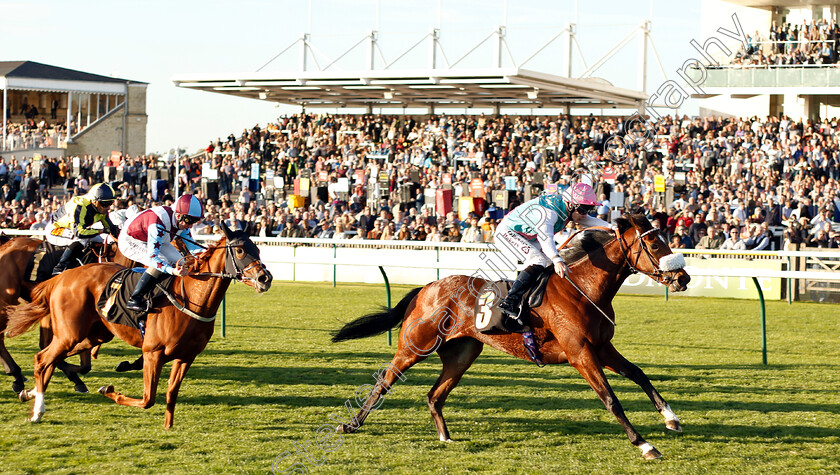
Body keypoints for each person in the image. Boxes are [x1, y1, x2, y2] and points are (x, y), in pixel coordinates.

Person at [493, 182, 615, 326]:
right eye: (583, 209)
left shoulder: (568, 208)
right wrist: (557, 259)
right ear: (570, 205)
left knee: (548, 263)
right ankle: (509, 301)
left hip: (528, 236)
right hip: (508, 232)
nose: (585, 214)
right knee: (538, 260)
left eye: (589, 209)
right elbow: (546, 239)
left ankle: (533, 303)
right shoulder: (549, 213)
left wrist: (613, 228)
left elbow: (588, 220)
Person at [118, 194, 205, 312]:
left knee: (181, 261)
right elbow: (153, 258)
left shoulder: (182, 223)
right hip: (130, 240)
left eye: (195, 221)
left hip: (153, 238)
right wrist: (172, 271)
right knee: (162, 261)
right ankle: (135, 298)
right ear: (178, 215)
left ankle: (165, 292)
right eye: (190, 220)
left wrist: (209, 253)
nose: (190, 225)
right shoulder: (158, 223)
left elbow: (194, 249)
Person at [47, 183, 118, 275]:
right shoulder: (80, 206)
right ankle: (60, 268)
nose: (109, 207)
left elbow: (110, 228)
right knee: (81, 238)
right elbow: (79, 232)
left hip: (73, 229)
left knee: (106, 239)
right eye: (105, 204)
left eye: (110, 203)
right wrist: (102, 231)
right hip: (55, 229)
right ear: (94, 201)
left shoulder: (100, 208)